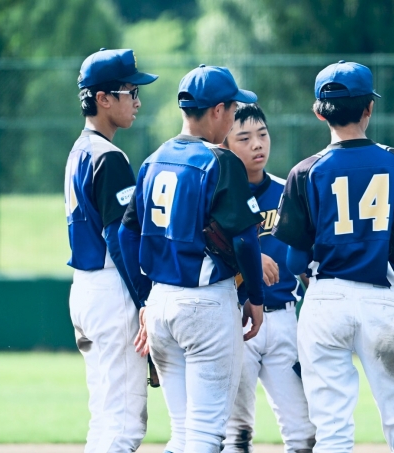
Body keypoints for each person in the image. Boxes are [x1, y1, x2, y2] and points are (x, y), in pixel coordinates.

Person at [272, 60, 394, 453]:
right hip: (380, 301)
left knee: (332, 432)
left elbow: (295, 263)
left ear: (319, 112)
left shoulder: (305, 172)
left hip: (325, 302)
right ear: (369, 107)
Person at [118, 65, 266, 453]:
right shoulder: (222, 161)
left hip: (161, 304)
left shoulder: (154, 159)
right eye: (233, 109)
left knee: (182, 432)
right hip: (206, 305)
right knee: (204, 434)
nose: (234, 118)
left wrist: (144, 298)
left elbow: (125, 234)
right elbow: (246, 240)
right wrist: (256, 296)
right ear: (217, 110)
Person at [64, 48, 157, 453]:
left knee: (105, 419)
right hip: (111, 291)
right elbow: (120, 238)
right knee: (124, 426)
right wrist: (145, 300)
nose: (137, 101)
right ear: (103, 98)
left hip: (86, 290)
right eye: (130, 92)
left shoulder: (79, 150)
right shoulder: (109, 157)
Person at [221, 103, 316, 453]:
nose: (257, 144)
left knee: (303, 431)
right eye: (244, 138)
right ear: (225, 144)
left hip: (284, 319)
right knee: (235, 433)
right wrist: (246, 259)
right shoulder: (217, 195)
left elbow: (306, 260)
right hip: (236, 320)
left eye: (262, 134)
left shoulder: (287, 191)